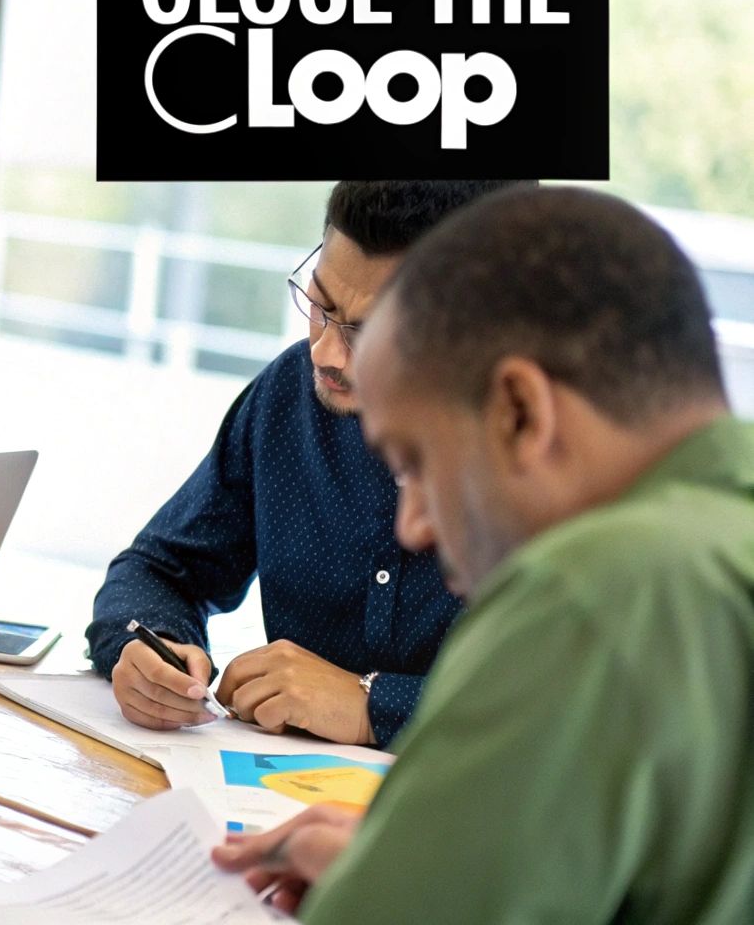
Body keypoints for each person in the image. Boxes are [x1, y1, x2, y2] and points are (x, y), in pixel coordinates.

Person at [213, 186, 754, 923]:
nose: (412, 526)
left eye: (420, 462)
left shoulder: (589, 594)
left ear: (521, 412)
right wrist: (434, 857)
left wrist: (394, 890)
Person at [89, 181, 527, 747]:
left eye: (367, 333)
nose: (324, 352)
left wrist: (376, 705)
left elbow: (590, 712)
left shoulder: (557, 462)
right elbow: (157, 569)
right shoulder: (289, 395)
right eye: (320, 305)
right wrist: (149, 651)